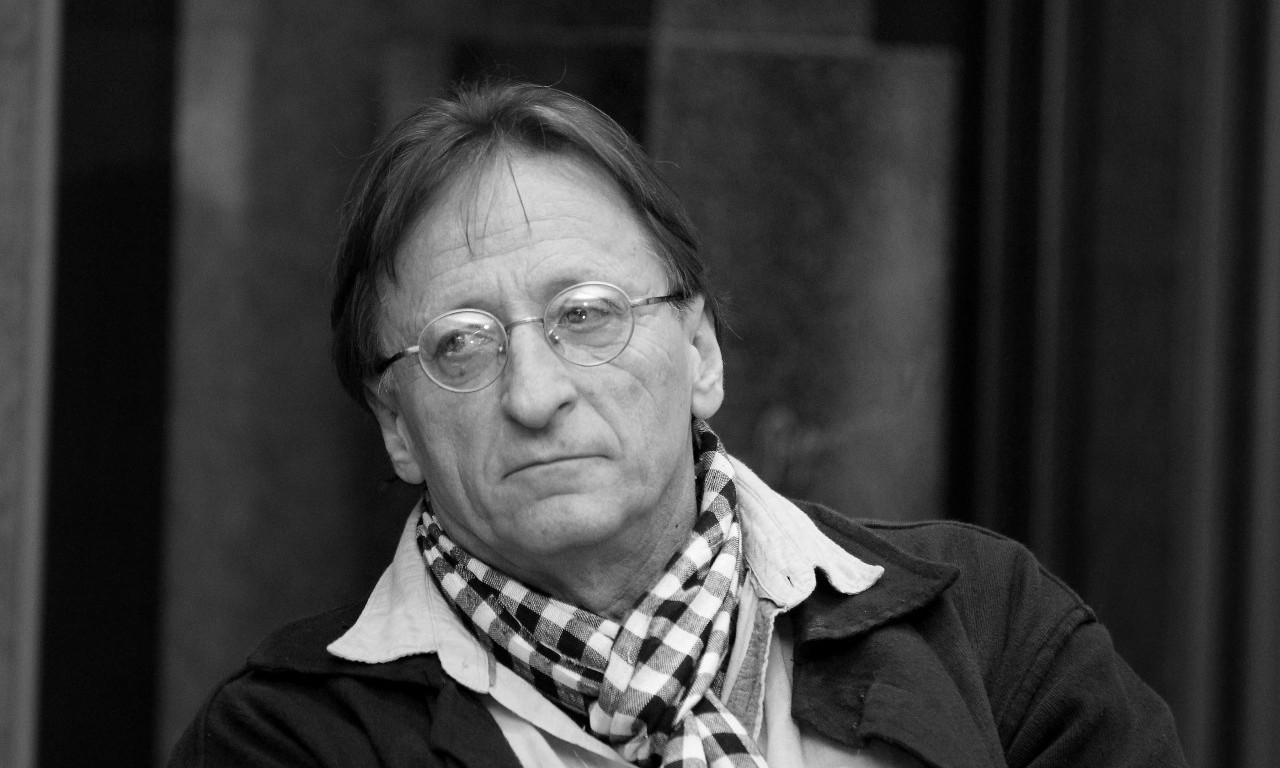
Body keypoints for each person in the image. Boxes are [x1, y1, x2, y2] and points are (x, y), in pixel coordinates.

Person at [169, 81, 1187, 768]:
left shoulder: (988, 629)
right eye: (461, 346)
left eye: (586, 316)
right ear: (397, 425)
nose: (535, 395)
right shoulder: (282, 740)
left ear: (699, 354)